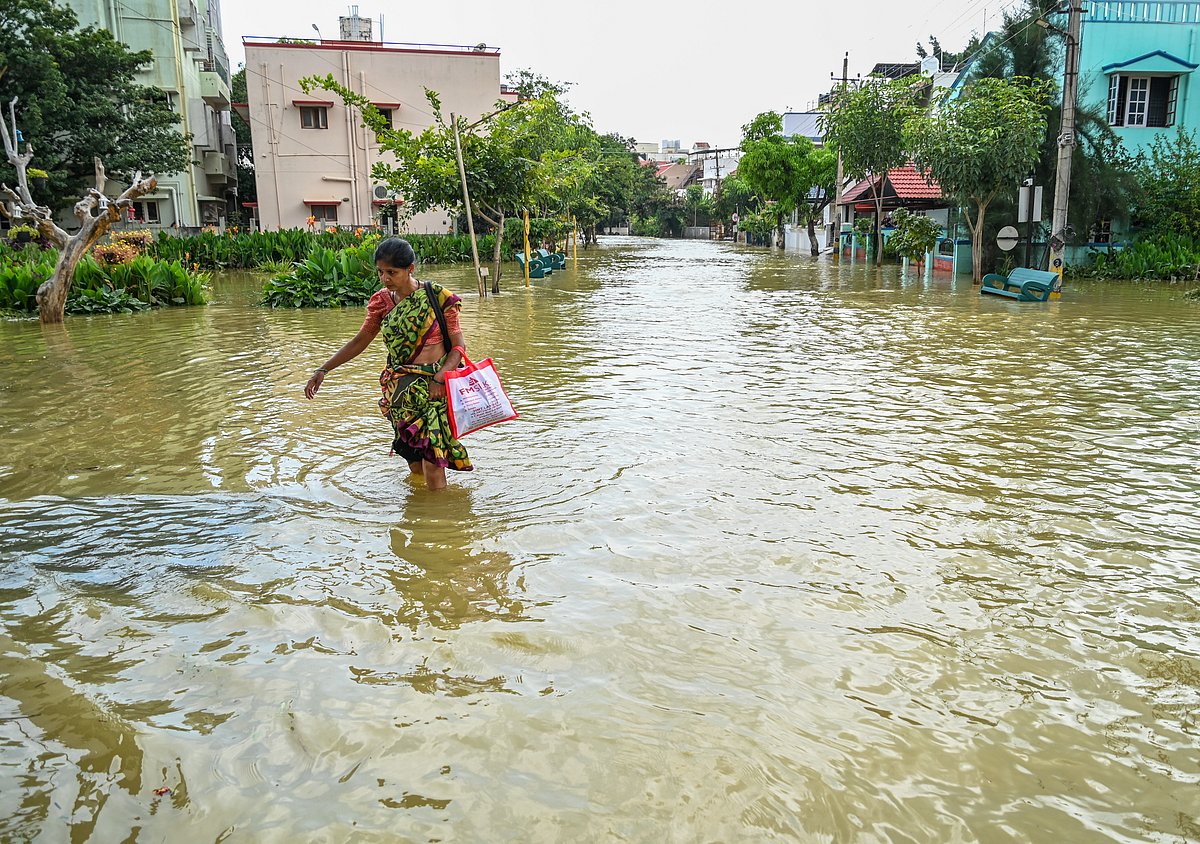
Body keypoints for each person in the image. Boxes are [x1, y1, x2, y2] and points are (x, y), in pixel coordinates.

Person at [304, 237, 471, 489]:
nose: (385, 278)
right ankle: (417, 512)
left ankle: (440, 524)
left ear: (410, 269)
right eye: (380, 272)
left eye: (392, 272)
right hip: (401, 393)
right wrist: (323, 369)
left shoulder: (438, 297)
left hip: (435, 391)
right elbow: (361, 340)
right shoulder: (382, 302)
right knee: (414, 463)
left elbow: (458, 347)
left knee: (433, 464)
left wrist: (441, 377)